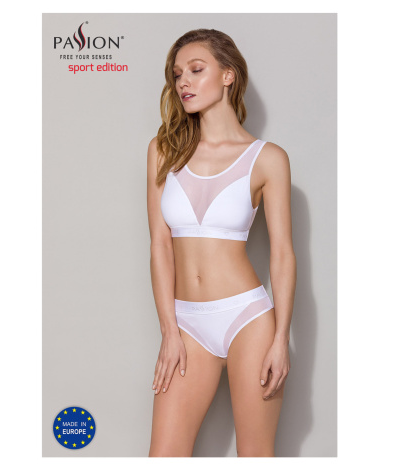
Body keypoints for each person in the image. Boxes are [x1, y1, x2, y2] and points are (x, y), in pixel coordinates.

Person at [146, 28, 296, 457]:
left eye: (196, 70)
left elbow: (283, 254)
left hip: (248, 318)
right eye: (177, 74)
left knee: (255, 456)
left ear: (228, 75)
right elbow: (160, 245)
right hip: (186, 323)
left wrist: (280, 339)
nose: (183, 82)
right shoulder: (163, 151)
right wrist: (169, 330)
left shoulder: (267, 158)